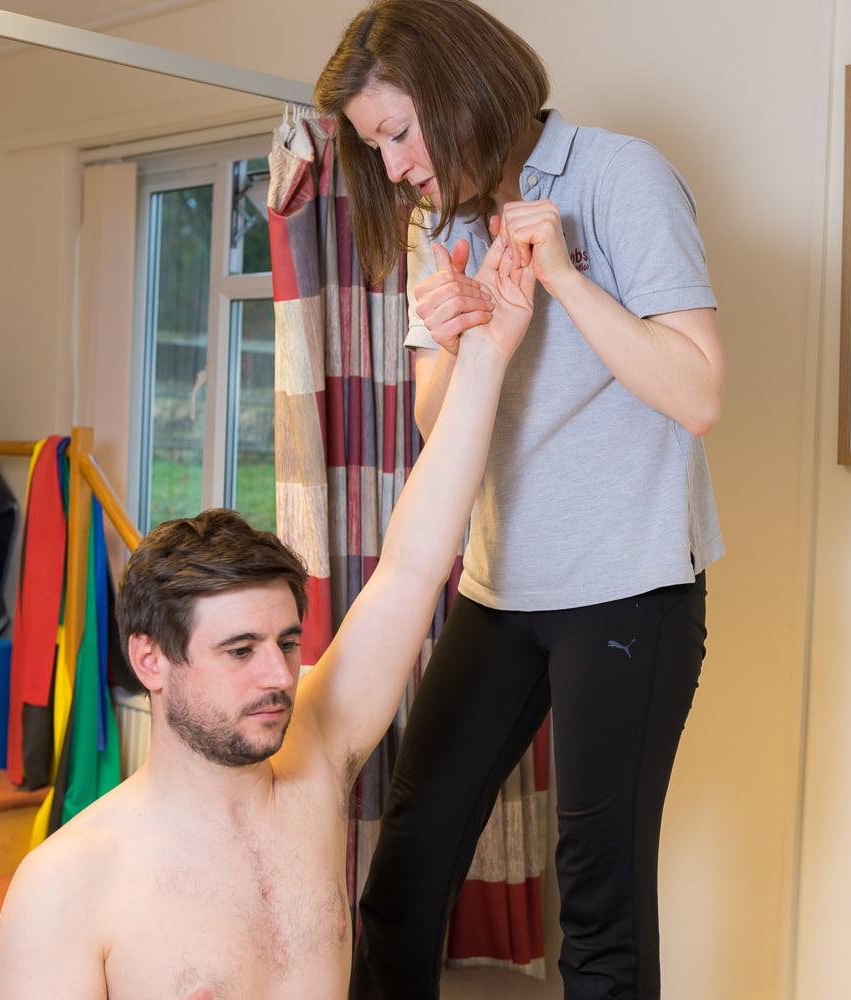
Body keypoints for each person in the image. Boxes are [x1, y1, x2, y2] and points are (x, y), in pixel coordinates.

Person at [0, 239, 536, 996]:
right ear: (151, 660)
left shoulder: (312, 758)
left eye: (285, 641)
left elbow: (411, 568)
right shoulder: (70, 884)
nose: (280, 674)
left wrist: (488, 354)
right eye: (239, 650)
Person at [316, 2, 726, 997]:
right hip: (503, 590)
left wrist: (567, 279)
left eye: (399, 134)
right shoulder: (444, 221)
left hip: (629, 590)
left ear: (457, 86)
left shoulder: (618, 176)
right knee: (405, 869)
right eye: (377, 149)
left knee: (598, 898)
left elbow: (699, 391)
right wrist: (458, 341)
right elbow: (432, 423)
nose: (397, 168)